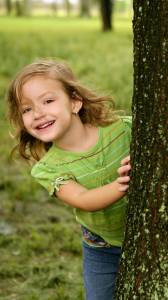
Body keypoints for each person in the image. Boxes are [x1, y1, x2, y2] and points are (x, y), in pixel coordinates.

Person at [7, 59, 131, 300]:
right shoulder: (48, 169)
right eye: (27, 109)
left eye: (48, 101)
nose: (38, 113)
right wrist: (122, 184)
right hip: (103, 248)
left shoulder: (122, 130)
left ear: (75, 101)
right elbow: (82, 199)